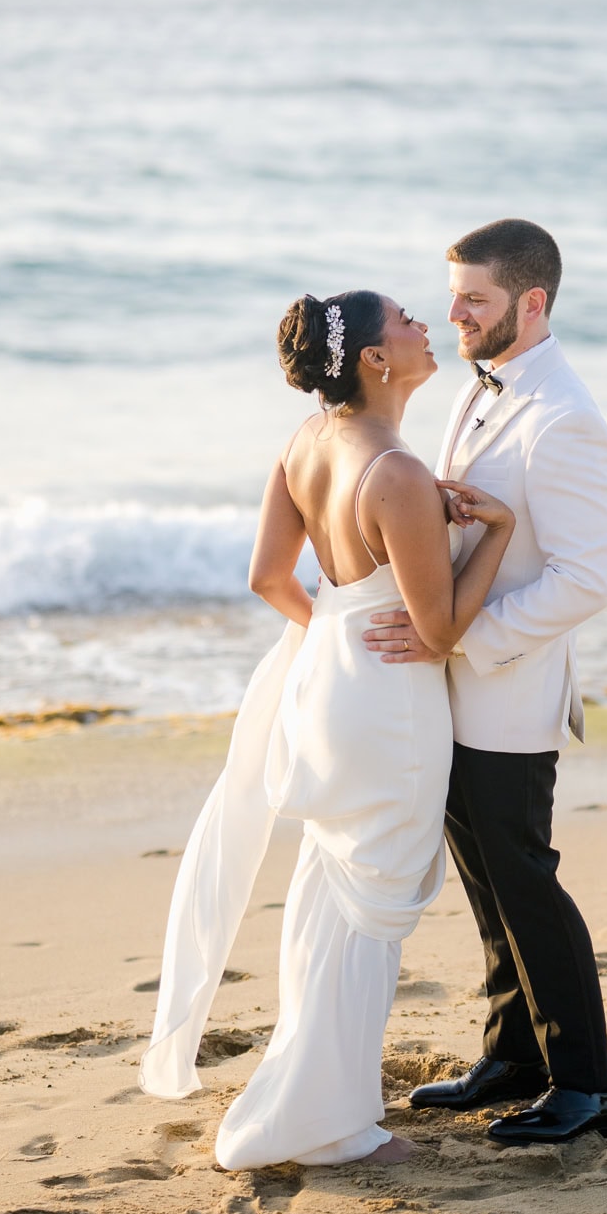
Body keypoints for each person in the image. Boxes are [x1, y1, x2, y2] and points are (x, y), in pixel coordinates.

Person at [139, 288, 514, 1168]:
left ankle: (322, 1103)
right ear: (376, 360)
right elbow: (439, 631)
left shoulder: (306, 444)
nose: (425, 325)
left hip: (328, 689)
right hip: (387, 707)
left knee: (329, 895)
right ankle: (327, 1125)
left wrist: (338, 630)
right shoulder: (396, 474)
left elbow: (269, 577)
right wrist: (497, 531)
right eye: (405, 320)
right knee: (368, 911)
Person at [363, 220, 607, 1146]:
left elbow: (586, 579)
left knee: (525, 883)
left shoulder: (565, 416)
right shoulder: (480, 390)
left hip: (509, 691)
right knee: (484, 881)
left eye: (473, 299)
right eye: (453, 297)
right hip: (453, 688)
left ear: (532, 302)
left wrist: (464, 641)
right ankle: (512, 1054)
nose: (455, 315)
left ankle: (587, 1084)